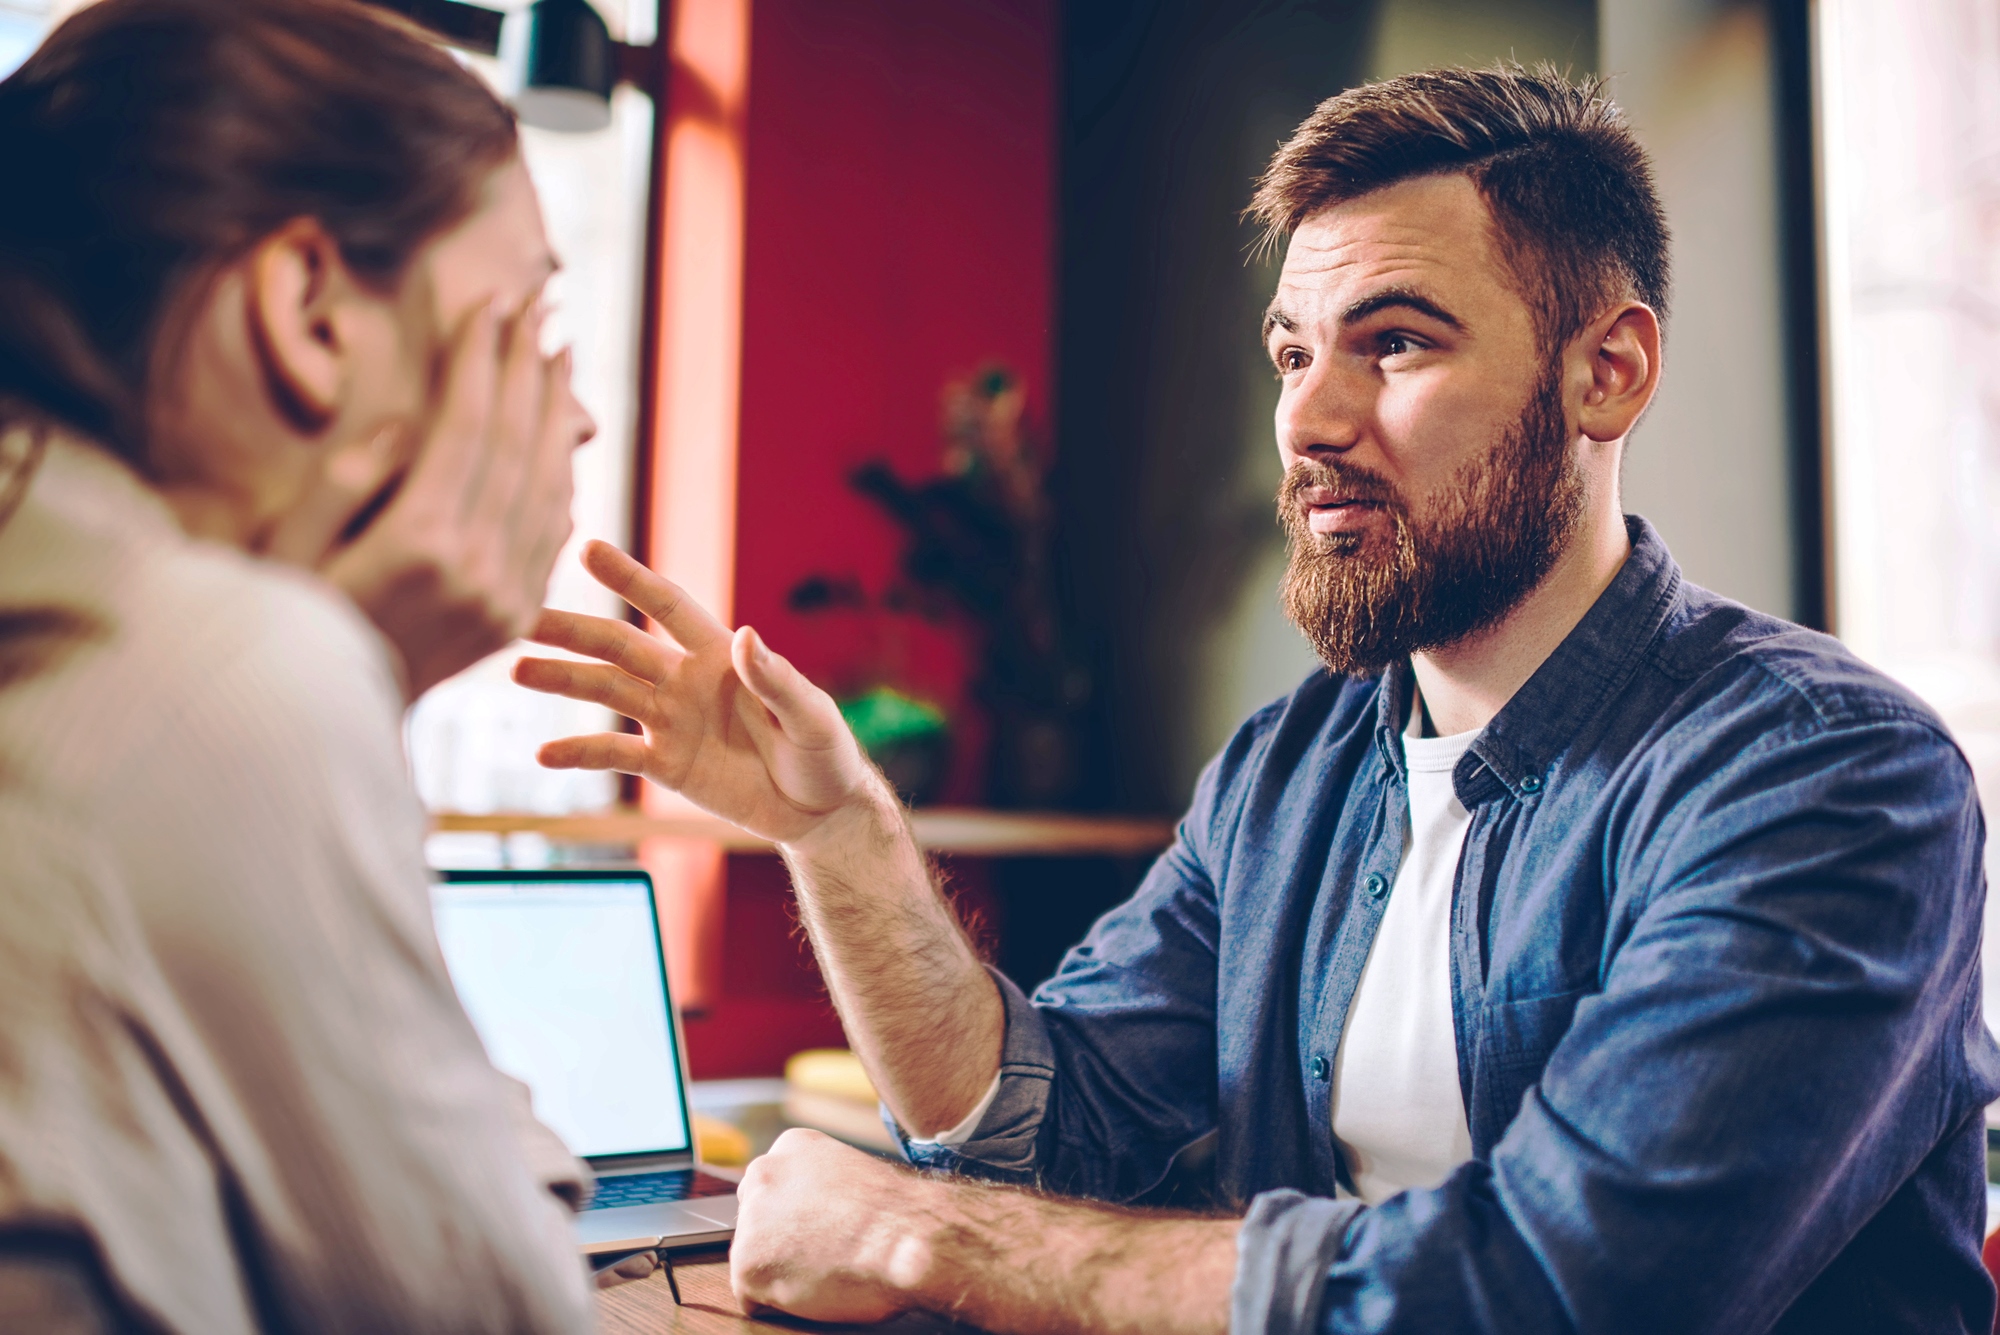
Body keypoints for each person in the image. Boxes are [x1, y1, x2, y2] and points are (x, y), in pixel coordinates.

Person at [518, 66, 2000, 1333]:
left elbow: (1572, 1292)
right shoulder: (1293, 769)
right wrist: (839, 839)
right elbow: (1046, 1123)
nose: (1308, 418)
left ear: (1607, 372)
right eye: (1293, 354)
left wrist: (926, 1236)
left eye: (1396, 343)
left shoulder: (1827, 778)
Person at [0, 0, 611, 1329]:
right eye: (534, 322)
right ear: (309, 310)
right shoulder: (227, 681)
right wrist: (358, 681)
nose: (579, 411)